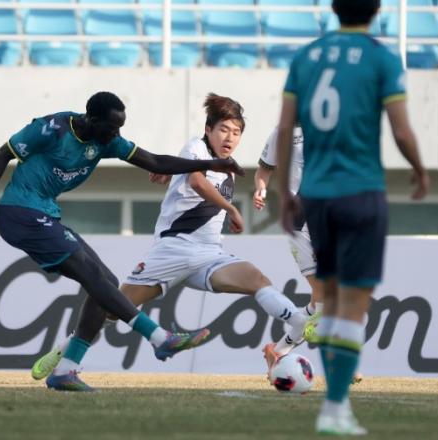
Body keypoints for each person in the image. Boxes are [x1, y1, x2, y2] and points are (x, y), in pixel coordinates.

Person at [0, 91, 244, 391]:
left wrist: (210, 164)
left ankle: (66, 370)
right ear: (91, 119)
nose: (116, 134)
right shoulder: (52, 129)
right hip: (19, 211)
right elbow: (3, 153)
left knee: (106, 283)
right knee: (91, 274)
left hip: (45, 213)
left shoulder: (108, 141)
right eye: (112, 127)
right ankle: (158, 337)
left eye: (120, 127)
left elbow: (154, 161)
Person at [31, 93, 308, 390]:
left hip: (209, 256)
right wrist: (230, 208)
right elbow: (196, 181)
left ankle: (298, 322)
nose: (230, 137)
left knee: (256, 279)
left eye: (236, 132)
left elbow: (182, 174)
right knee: (112, 308)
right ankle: (67, 351)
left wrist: (170, 175)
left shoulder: (226, 168)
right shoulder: (196, 147)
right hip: (173, 250)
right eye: (223, 130)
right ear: (208, 130)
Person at [275, 0, 429, 435]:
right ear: (376, 9)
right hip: (361, 192)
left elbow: (284, 130)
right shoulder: (382, 57)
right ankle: (336, 407)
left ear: (333, 8)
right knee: (353, 305)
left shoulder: (307, 57)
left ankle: (333, 404)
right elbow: (401, 130)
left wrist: (285, 194)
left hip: (317, 198)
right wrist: (419, 169)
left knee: (329, 300)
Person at [253, 125, 324, 368]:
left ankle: (278, 350)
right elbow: (264, 170)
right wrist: (261, 189)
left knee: (320, 301)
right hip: (299, 219)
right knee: (324, 293)